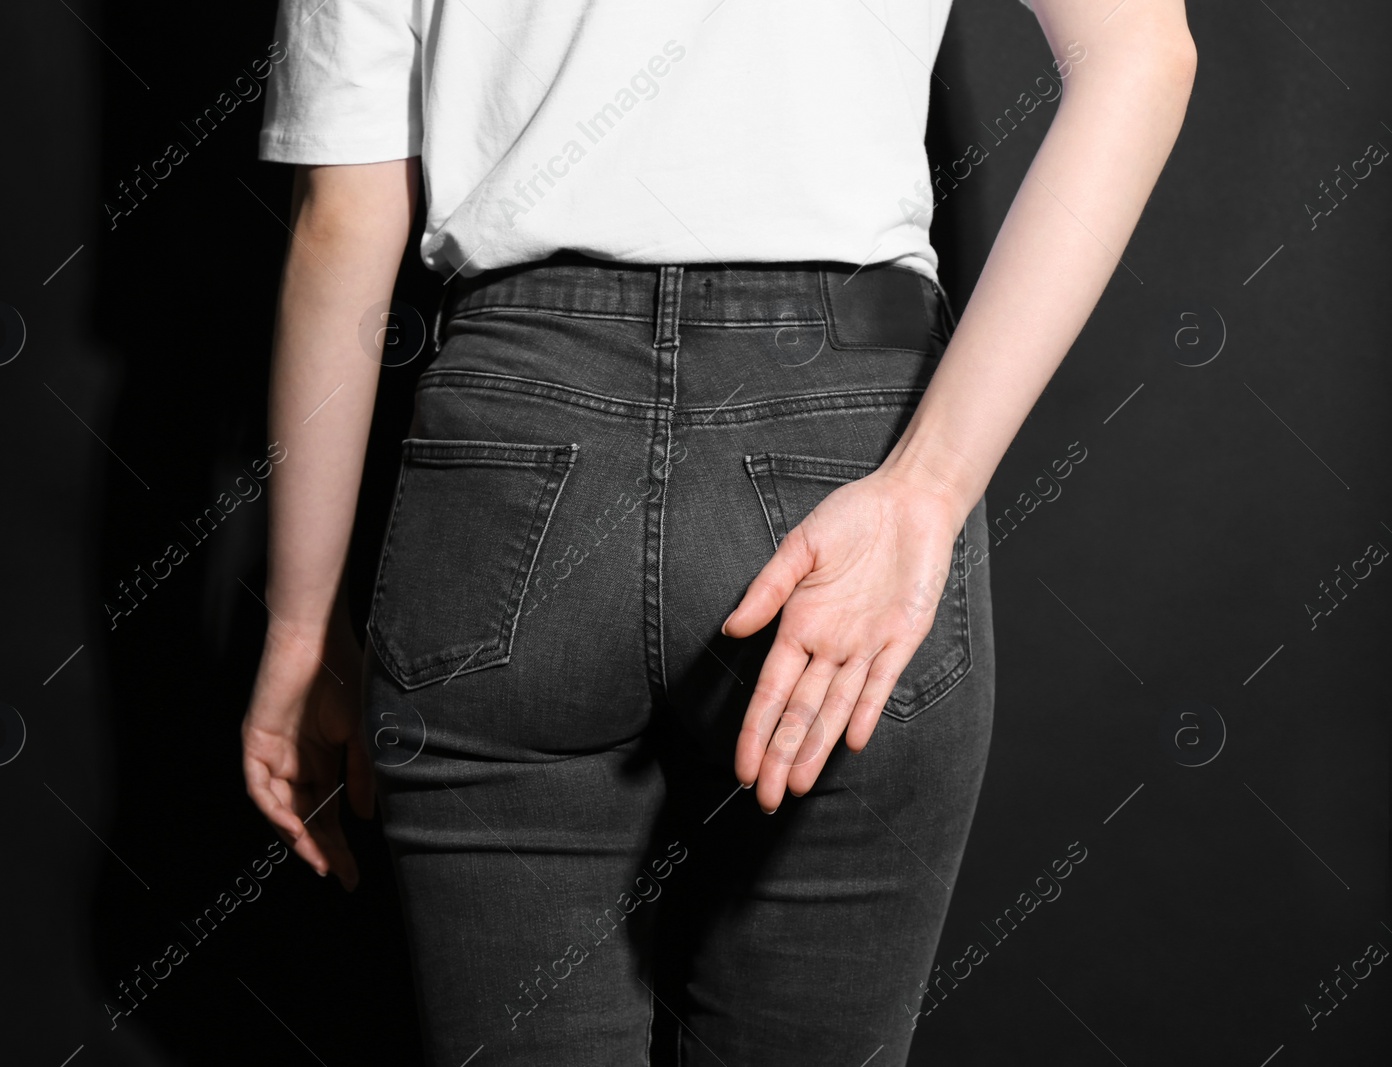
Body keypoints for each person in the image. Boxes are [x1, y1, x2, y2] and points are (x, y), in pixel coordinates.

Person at [239, 0, 1195, 1062]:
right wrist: (928, 484)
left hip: (512, 460)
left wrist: (298, 626)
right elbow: (1140, 52)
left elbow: (341, 220)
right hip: (844, 437)